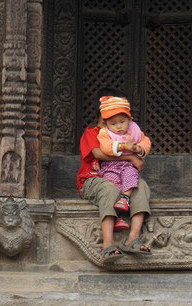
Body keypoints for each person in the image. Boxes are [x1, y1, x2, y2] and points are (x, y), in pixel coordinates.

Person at [77, 88, 152, 264]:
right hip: (93, 179)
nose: (120, 121)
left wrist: (138, 151)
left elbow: (143, 144)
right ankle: (108, 244)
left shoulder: (126, 134)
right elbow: (99, 154)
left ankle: (132, 238)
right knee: (109, 188)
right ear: (104, 114)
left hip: (120, 178)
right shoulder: (92, 133)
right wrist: (131, 157)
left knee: (141, 186)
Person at [97, 95, 143, 232]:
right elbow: (105, 148)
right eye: (113, 123)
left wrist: (138, 149)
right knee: (113, 185)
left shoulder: (134, 131)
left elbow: (145, 142)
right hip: (110, 166)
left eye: (122, 122)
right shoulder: (104, 133)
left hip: (128, 165)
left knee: (130, 176)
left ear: (130, 120)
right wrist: (124, 146)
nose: (118, 126)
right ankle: (118, 217)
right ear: (105, 124)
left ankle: (125, 197)